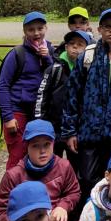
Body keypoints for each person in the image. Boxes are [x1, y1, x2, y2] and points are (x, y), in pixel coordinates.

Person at [61, 8, 111, 201]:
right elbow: (72, 95)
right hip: (89, 134)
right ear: (99, 29)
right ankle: (91, 215)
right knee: (88, 181)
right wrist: (70, 131)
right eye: (107, 26)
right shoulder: (87, 57)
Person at [0, 11, 56, 168]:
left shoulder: (50, 50)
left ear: (46, 28)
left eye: (40, 28)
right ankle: (11, 185)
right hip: (18, 112)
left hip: (40, 113)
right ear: (24, 31)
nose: (36, 33)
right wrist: (8, 117)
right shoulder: (17, 54)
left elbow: (54, 78)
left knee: (39, 159)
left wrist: (47, 58)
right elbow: (2, 86)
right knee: (18, 158)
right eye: (31, 29)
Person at [0, 119, 80, 221]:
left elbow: (74, 192)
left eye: (46, 144)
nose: (42, 151)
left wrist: (63, 206)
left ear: (53, 144)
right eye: (35, 145)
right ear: (26, 147)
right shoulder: (13, 176)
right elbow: (0, 210)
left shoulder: (64, 166)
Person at [34, 29, 93, 163]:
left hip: (77, 130)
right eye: (72, 43)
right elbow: (41, 97)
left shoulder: (90, 71)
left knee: (76, 166)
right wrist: (40, 123)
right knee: (52, 164)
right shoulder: (55, 69)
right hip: (54, 128)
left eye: (80, 44)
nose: (75, 47)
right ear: (66, 47)